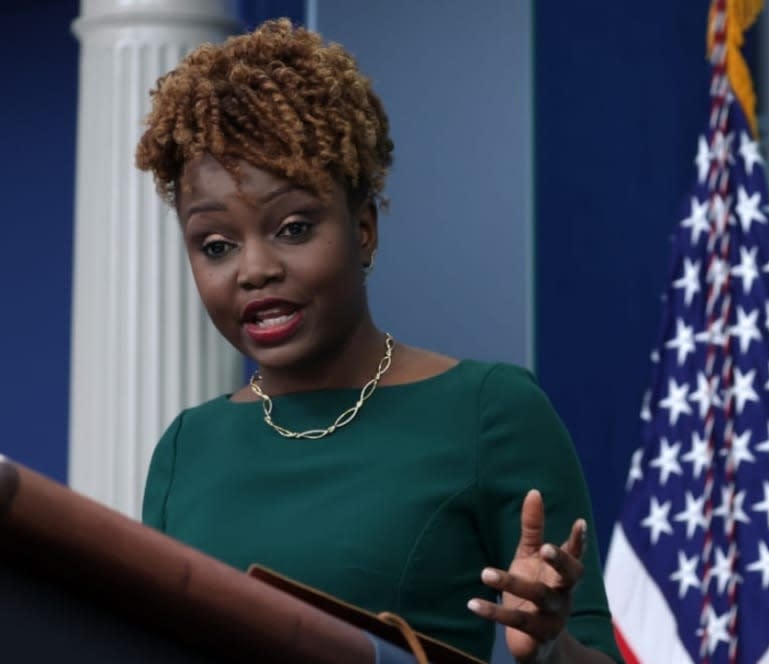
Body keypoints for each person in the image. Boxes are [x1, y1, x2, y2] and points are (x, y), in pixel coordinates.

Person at [136, 18, 621, 664]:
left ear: (362, 229)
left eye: (293, 227)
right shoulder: (184, 451)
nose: (253, 269)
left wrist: (551, 644)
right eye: (216, 245)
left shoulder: (491, 412)